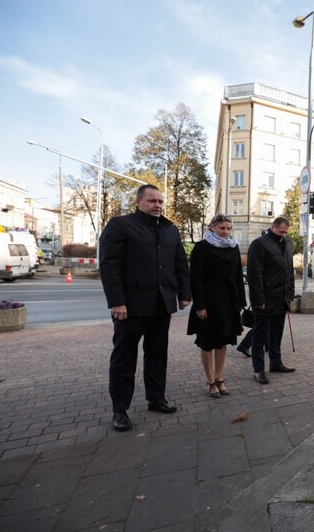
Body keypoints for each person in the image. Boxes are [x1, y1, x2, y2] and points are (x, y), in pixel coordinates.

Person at [99, 184, 191, 432]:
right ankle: (120, 409)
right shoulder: (121, 225)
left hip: (161, 305)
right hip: (130, 306)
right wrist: (117, 301)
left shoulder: (170, 229)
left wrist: (183, 293)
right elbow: (110, 265)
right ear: (139, 202)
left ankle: (156, 398)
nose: (158, 205)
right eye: (152, 201)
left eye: (160, 201)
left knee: (158, 354)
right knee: (124, 358)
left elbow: (180, 263)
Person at [187, 214, 246, 398]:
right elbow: (195, 279)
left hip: (229, 302)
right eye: (222, 228)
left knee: (223, 340)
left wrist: (241, 302)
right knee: (208, 342)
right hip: (209, 302)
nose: (225, 232)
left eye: (228, 228)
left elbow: (238, 276)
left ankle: (220, 378)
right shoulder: (202, 247)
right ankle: (210, 381)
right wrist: (200, 305)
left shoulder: (233, 246)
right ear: (211, 227)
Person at [248, 217, 296, 384]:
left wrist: (290, 295)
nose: (283, 234)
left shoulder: (287, 245)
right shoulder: (259, 244)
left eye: (285, 232)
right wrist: (258, 299)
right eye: (281, 231)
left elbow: (290, 272)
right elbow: (255, 274)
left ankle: (276, 363)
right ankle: (258, 369)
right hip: (265, 300)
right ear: (272, 227)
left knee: (276, 334)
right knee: (259, 336)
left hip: (281, 299)